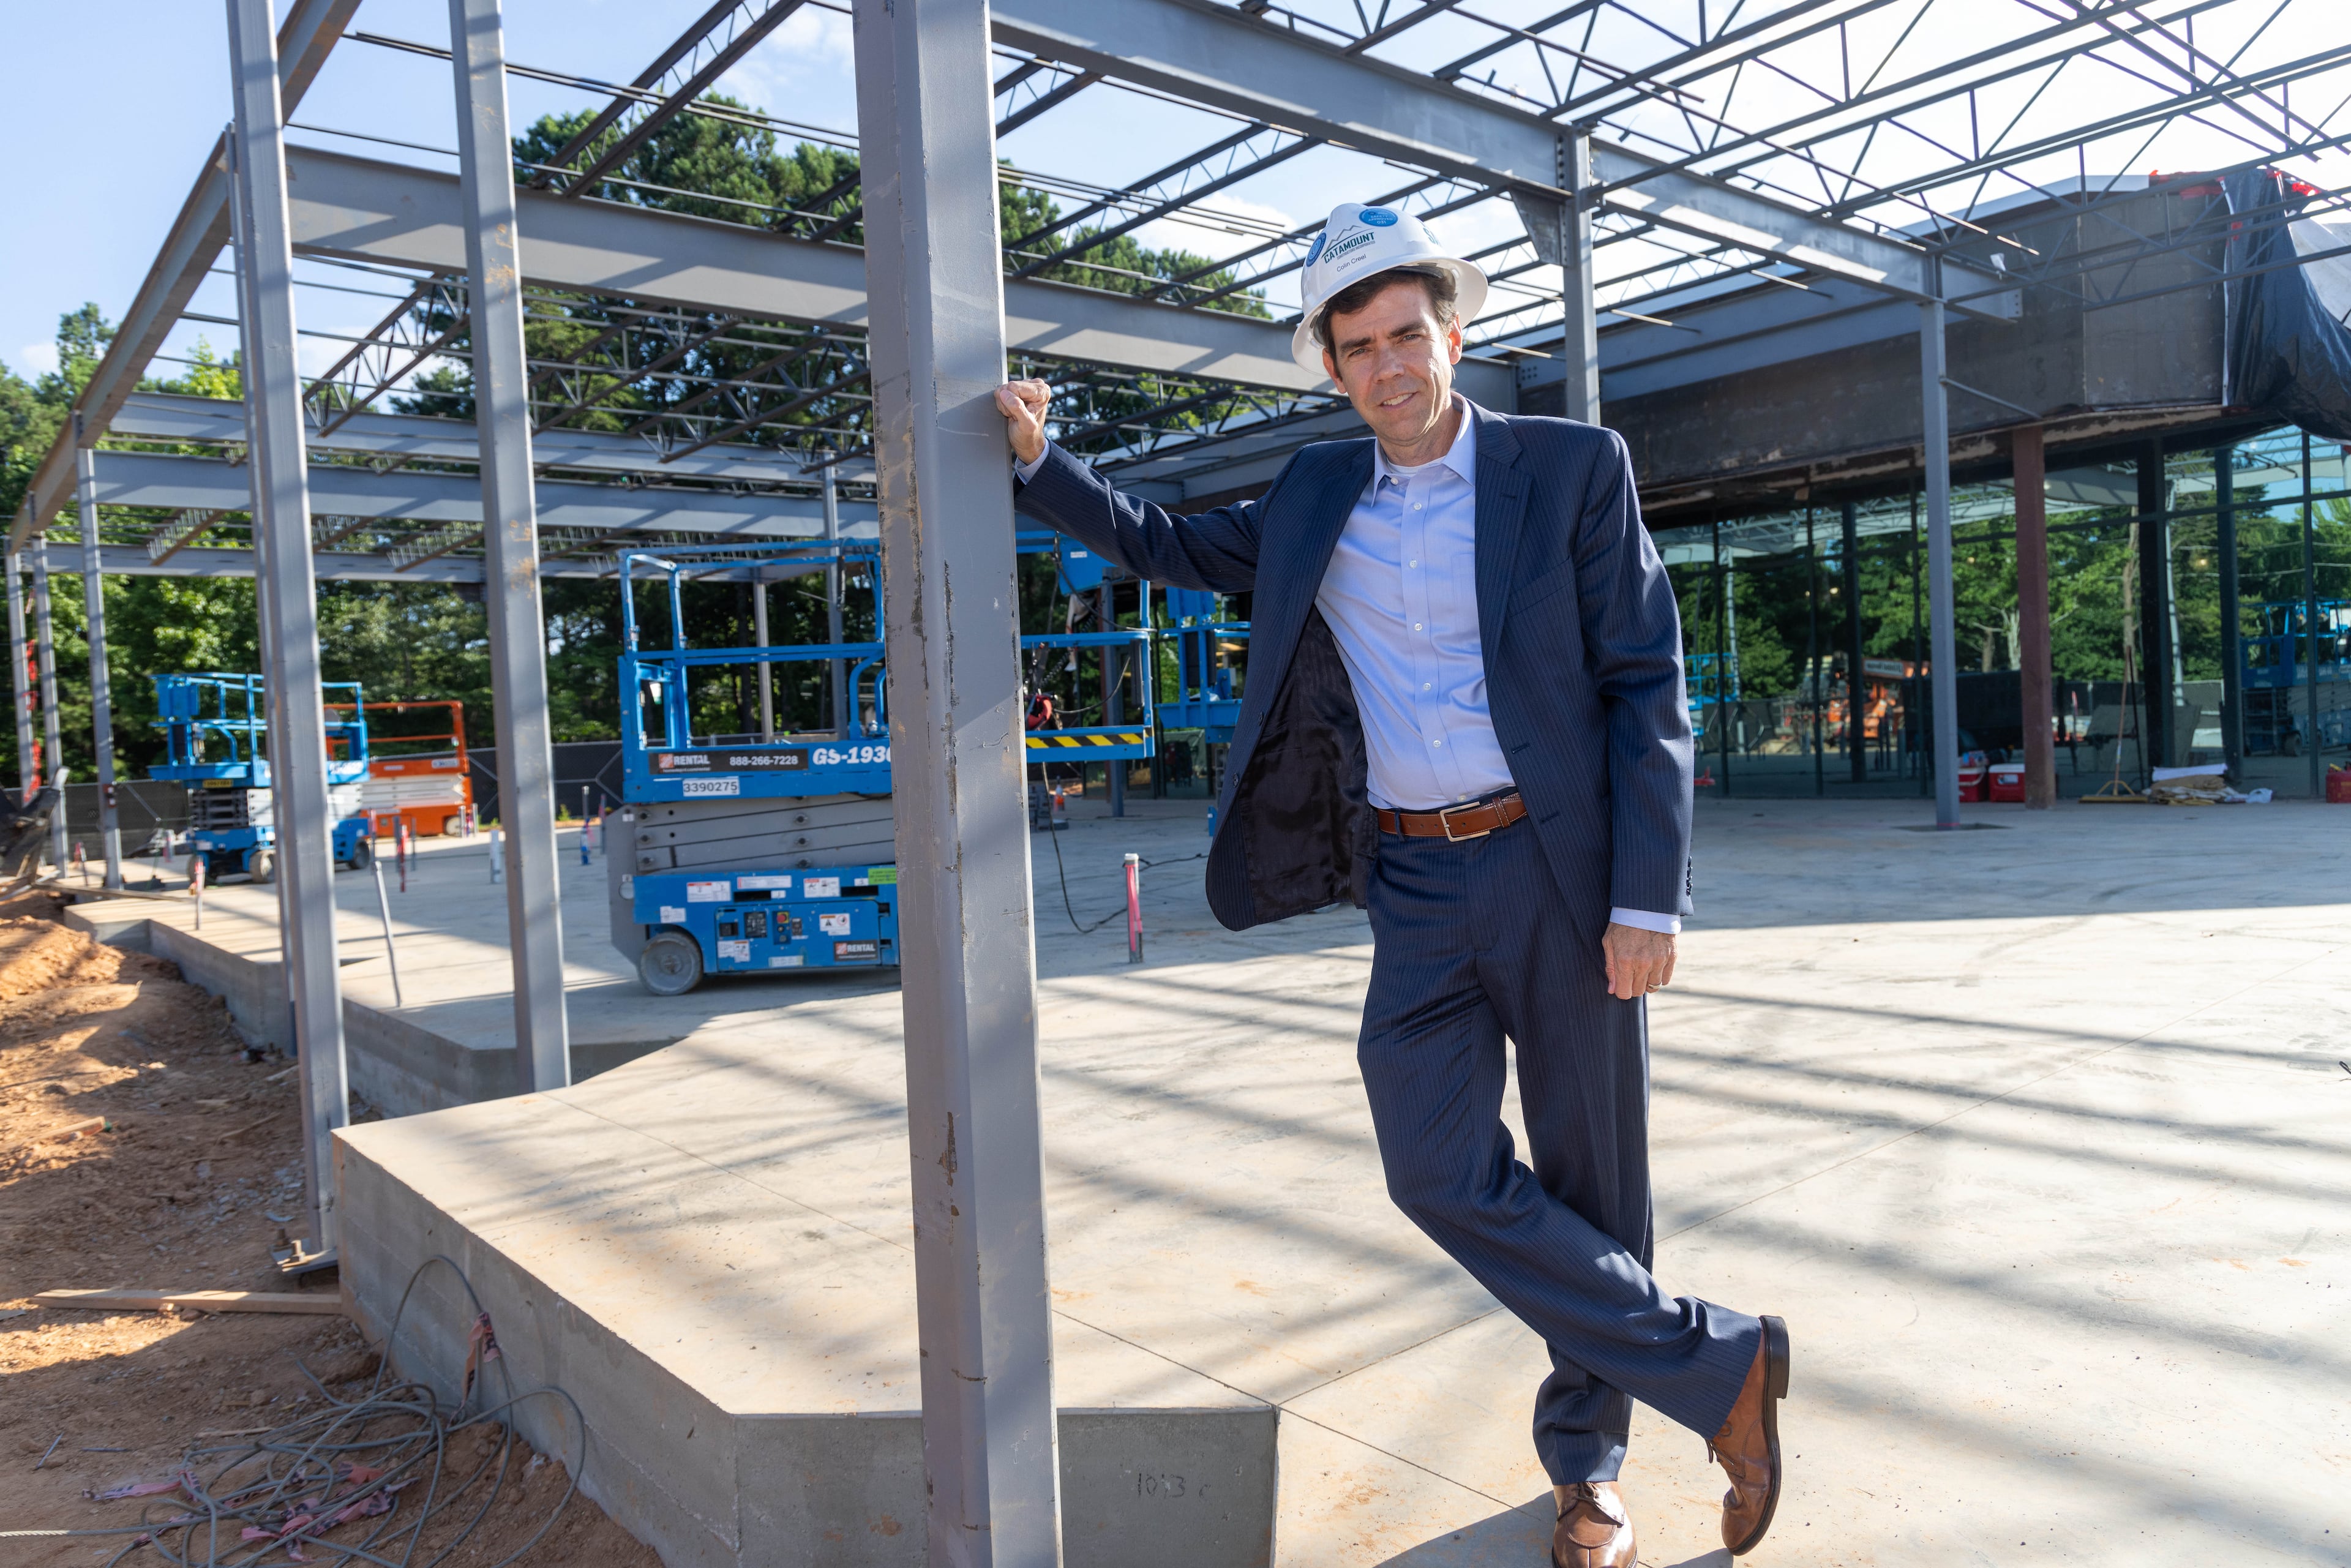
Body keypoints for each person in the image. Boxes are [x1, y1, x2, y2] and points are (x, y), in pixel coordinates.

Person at [996, 203, 1788, 1567]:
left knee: (1598, 1184)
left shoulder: (1570, 468)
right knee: (1433, 1167)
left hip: (1561, 870)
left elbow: (1646, 679)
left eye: (1407, 335)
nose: (1388, 367)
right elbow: (1169, 544)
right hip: (1414, 882)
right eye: (1356, 347)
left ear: (1453, 335)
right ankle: (1719, 1366)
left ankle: (1587, 1473)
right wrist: (1041, 461)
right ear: (1332, 365)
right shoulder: (1317, 494)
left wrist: (1648, 897)